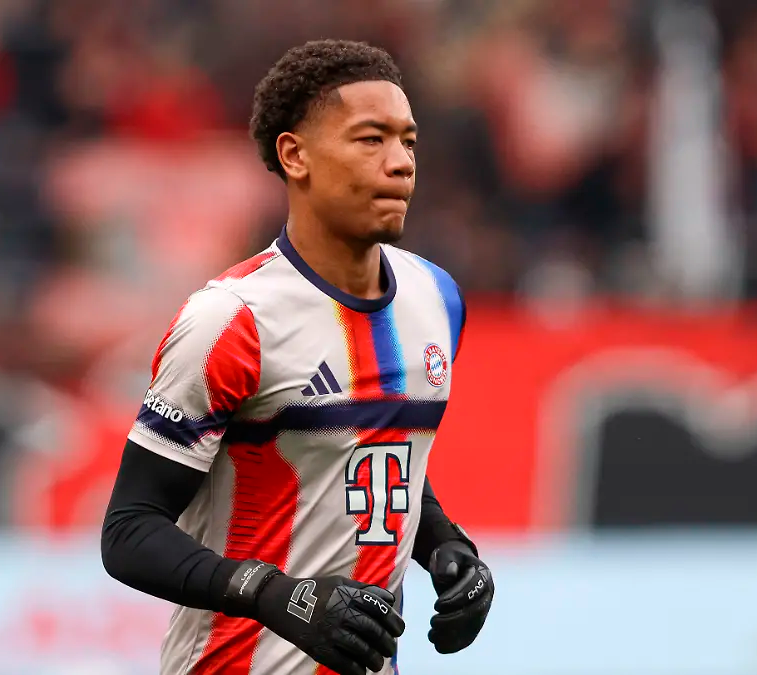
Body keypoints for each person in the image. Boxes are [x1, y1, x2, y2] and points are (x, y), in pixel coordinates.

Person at [100, 39, 495, 675]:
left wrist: (447, 546)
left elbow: (371, 457)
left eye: (409, 142)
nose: (400, 164)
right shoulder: (232, 321)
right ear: (295, 155)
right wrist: (275, 595)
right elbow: (129, 531)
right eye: (371, 140)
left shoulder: (437, 298)